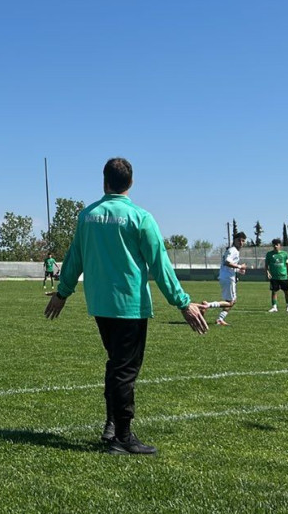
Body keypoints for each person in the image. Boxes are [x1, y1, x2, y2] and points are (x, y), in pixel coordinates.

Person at [44, 157, 209, 456]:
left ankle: (111, 424)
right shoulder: (140, 217)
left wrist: (63, 293)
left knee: (116, 365)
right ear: (130, 183)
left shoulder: (87, 216)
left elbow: (74, 258)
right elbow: (160, 264)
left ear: (104, 181)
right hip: (129, 305)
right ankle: (122, 436)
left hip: (100, 305)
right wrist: (183, 303)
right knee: (125, 370)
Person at [206, 232, 247, 326]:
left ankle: (220, 319)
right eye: (239, 240)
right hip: (228, 278)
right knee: (230, 302)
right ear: (234, 241)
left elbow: (229, 265)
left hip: (227, 277)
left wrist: (238, 270)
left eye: (243, 241)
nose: (241, 242)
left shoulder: (234, 251)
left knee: (232, 301)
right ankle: (207, 305)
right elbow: (227, 262)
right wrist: (240, 266)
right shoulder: (233, 250)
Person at [265, 240, 288, 312]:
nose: (275, 246)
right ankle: (274, 307)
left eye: (277, 244)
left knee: (286, 291)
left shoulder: (285, 254)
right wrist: (268, 273)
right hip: (274, 277)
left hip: (283, 276)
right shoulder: (269, 254)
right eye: (274, 244)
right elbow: (266, 265)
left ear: (280, 245)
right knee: (274, 291)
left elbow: (287, 264)